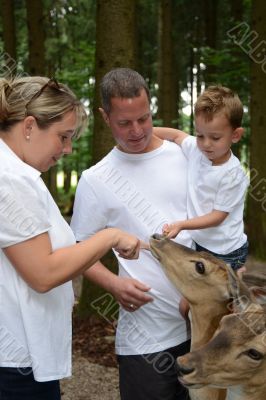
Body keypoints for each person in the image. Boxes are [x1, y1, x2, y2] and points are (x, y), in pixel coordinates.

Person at [0, 76, 141, 400]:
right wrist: (110, 236)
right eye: (63, 137)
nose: (67, 149)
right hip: (17, 361)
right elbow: (43, 273)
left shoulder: (14, 172)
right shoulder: (12, 180)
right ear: (29, 126)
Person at [71, 68, 192, 400]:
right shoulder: (96, 180)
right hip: (145, 340)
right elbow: (78, 250)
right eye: (124, 123)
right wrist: (114, 284)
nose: (137, 131)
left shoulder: (186, 156)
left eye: (144, 118)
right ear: (104, 117)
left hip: (204, 329)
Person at [154, 85, 249, 271]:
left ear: (235, 135)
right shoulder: (196, 150)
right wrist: (144, 133)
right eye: (200, 135)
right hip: (199, 243)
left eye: (215, 138)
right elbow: (175, 135)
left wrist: (181, 225)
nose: (206, 144)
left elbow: (217, 217)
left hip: (226, 250)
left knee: (218, 299)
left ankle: (238, 275)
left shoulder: (233, 174)